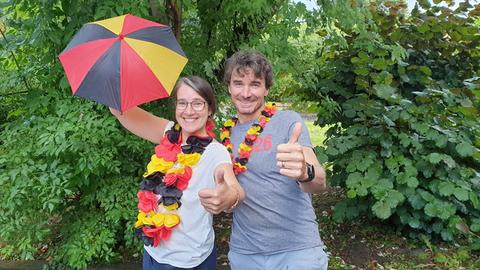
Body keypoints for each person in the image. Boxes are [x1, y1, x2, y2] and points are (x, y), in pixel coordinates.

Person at [198, 50, 328, 270]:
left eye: (255, 84)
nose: (246, 93)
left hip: (297, 251)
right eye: (238, 83)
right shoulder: (223, 136)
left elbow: (320, 183)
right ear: (229, 87)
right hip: (246, 254)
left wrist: (306, 172)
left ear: (266, 88)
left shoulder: (288, 121)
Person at [110, 76, 245, 270]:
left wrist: (228, 196)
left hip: (190, 261)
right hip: (154, 253)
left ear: (210, 109)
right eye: (182, 103)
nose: (189, 111)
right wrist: (115, 78)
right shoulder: (169, 133)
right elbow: (120, 111)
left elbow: (235, 190)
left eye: (197, 103)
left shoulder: (215, 152)